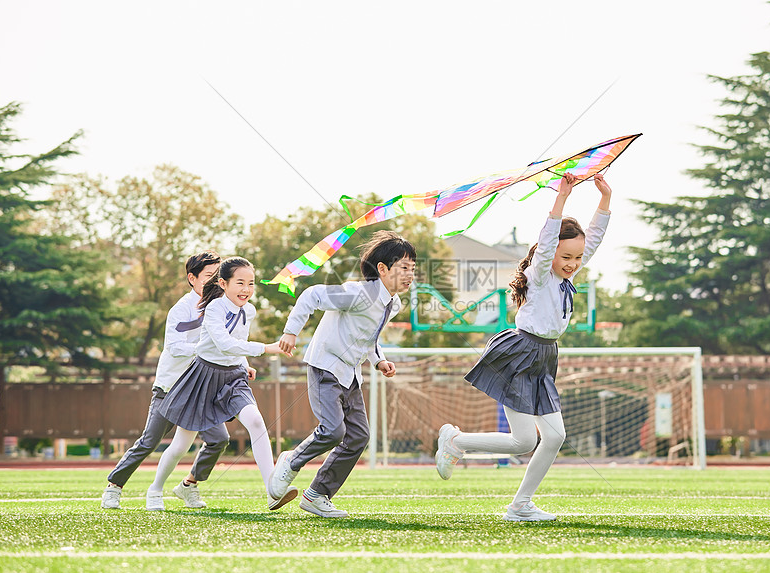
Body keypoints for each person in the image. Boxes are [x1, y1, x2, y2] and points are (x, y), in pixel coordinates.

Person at [435, 172, 613, 522]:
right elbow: (549, 242)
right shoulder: (542, 271)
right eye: (567, 256)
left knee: (553, 437)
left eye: (577, 258)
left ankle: (519, 504)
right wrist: (561, 197)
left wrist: (605, 199)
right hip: (520, 353)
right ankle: (457, 443)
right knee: (524, 441)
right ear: (549, 254)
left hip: (545, 356)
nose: (573, 263)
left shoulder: (567, 277)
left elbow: (592, 240)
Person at [268, 231, 415, 518]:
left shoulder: (392, 303)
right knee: (333, 431)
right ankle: (290, 461)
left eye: (413, 268)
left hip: (350, 372)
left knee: (359, 436)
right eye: (403, 268)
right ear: (382, 269)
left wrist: (379, 360)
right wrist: (290, 331)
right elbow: (311, 295)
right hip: (325, 365)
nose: (410, 275)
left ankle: (317, 495)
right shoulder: (358, 293)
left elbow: (367, 337)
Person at [153, 256, 298, 511]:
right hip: (202, 378)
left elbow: (238, 342)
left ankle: (272, 491)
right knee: (180, 446)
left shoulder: (249, 311)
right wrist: (267, 348)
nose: (246, 290)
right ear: (222, 283)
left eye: (251, 284)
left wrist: (244, 365)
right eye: (240, 283)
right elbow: (224, 343)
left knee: (255, 421)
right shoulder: (214, 308)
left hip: (232, 378)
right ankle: (155, 489)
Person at [102, 251, 230, 511]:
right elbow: (174, 346)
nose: (216, 282)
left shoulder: (222, 307)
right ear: (192, 278)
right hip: (170, 388)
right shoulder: (181, 309)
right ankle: (114, 487)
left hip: (200, 390)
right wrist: (203, 349)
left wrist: (243, 364)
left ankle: (189, 485)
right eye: (209, 276)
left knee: (219, 438)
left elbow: (228, 343)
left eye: (218, 276)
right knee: (149, 441)